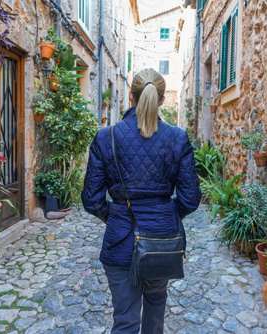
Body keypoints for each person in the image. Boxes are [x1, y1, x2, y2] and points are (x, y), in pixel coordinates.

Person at [82, 68, 201, 333]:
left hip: (119, 240)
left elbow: (91, 199)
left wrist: (114, 215)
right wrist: (165, 213)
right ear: (161, 100)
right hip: (161, 241)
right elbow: (190, 199)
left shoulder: (106, 137)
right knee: (156, 304)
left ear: (130, 97)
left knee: (124, 318)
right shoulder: (178, 138)